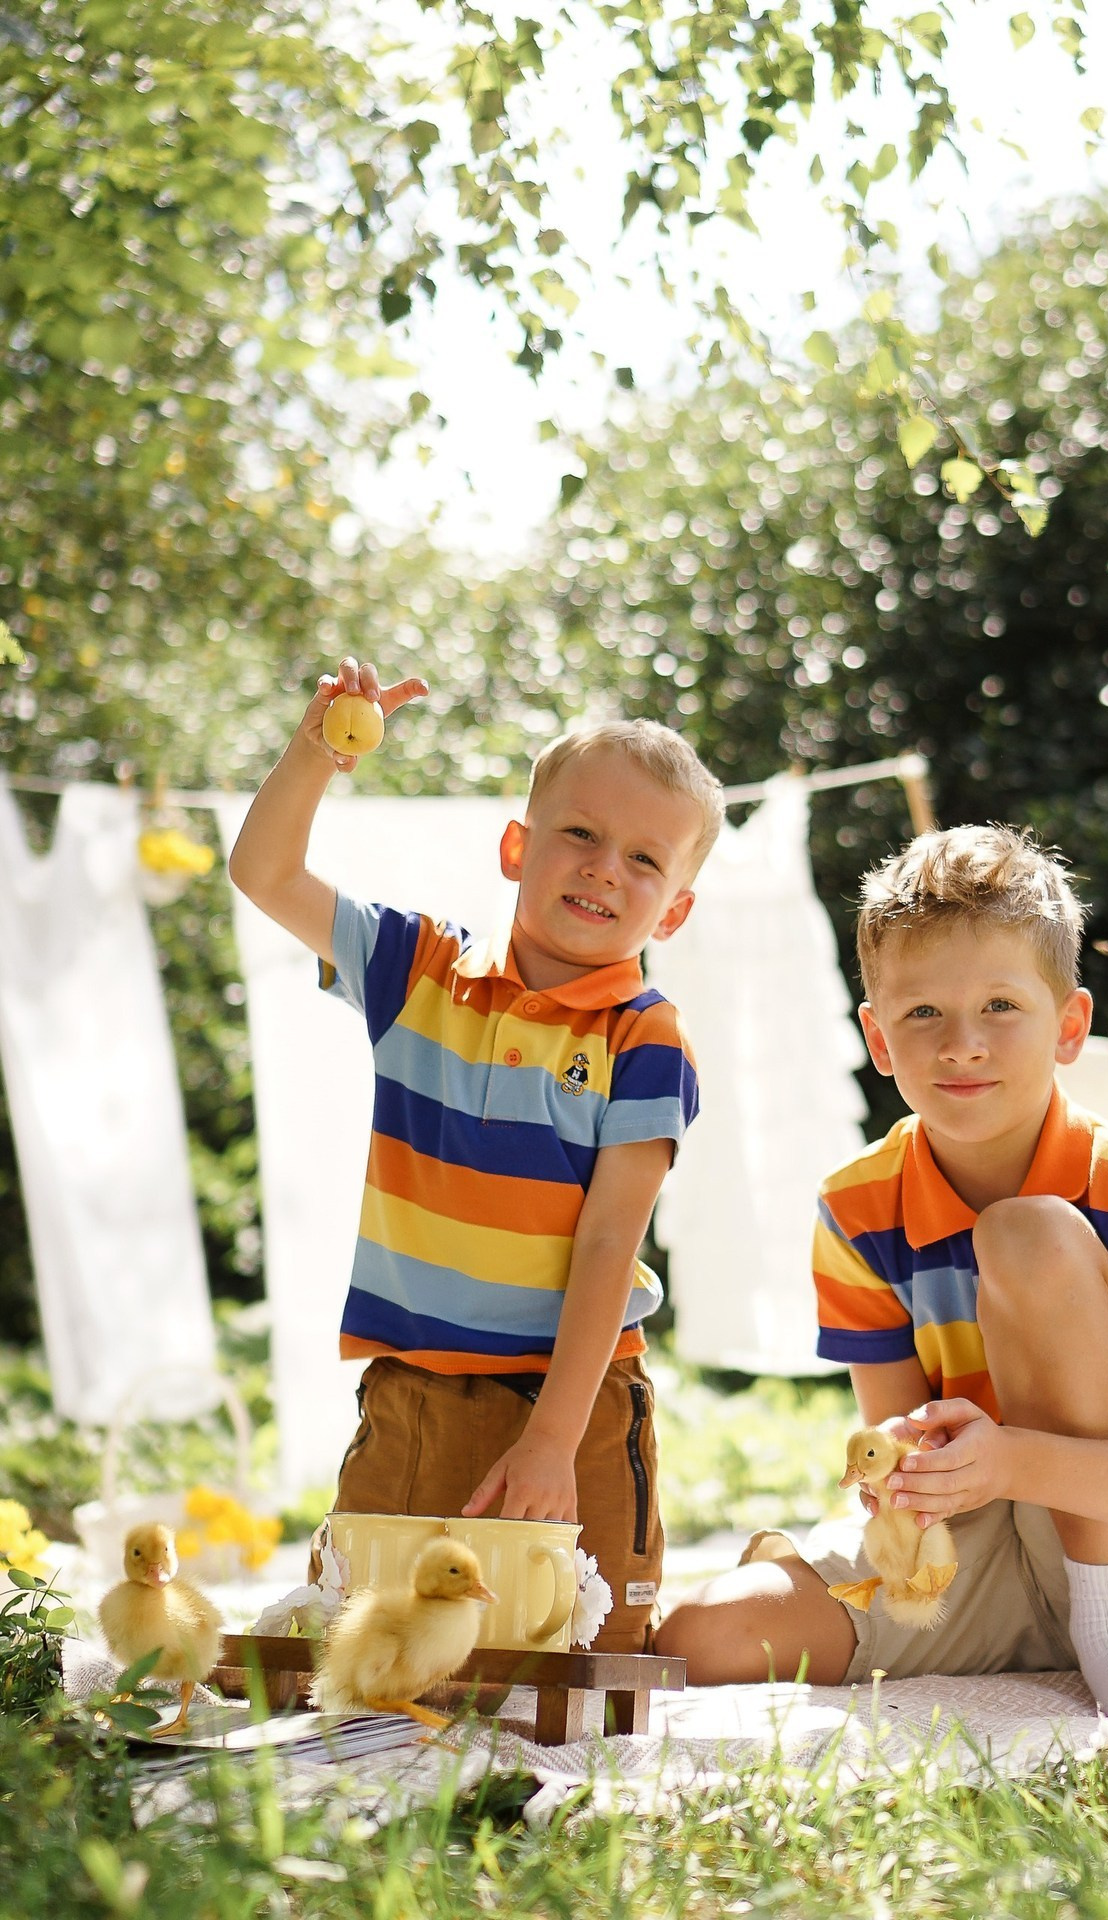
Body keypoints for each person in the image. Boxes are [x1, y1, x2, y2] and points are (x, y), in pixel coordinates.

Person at [655, 824, 1108, 1731]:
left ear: (1070, 1026)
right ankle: (1049, 1639)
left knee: (1027, 1235)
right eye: (923, 1015)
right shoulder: (857, 1209)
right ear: (877, 1036)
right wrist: (905, 1472)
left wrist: (1014, 1458)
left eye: (1001, 1008)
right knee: (698, 1635)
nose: (962, 1045)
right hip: (982, 1557)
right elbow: (894, 1436)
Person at [229, 657, 724, 1652]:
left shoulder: (645, 1038)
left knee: (584, 1658)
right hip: (414, 1389)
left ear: (671, 910)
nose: (602, 868)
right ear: (516, 845)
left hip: (574, 1402)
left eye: (642, 859)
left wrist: (548, 1439)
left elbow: (606, 1248)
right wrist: (315, 753)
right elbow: (264, 874)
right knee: (366, 1647)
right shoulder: (417, 970)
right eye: (579, 834)